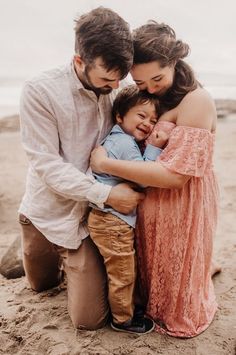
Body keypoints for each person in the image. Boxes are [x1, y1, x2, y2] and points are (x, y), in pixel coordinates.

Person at [18, 7, 145, 331]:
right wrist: (108, 194)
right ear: (79, 61)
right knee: (41, 285)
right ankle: (25, 246)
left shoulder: (116, 85)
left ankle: (77, 263)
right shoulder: (39, 91)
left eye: (120, 76)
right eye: (107, 78)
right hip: (47, 211)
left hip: (90, 218)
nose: (116, 84)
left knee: (89, 321)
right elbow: (46, 164)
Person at [90, 21, 219, 337]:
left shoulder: (196, 100)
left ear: (174, 62)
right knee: (150, 274)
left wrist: (107, 164)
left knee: (178, 295)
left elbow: (174, 177)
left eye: (157, 78)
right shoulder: (153, 97)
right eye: (139, 81)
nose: (149, 88)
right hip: (146, 203)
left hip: (182, 201)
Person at [88, 85, 168, 334]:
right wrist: (155, 149)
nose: (148, 124)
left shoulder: (113, 138)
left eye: (153, 120)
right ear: (120, 116)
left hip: (107, 219)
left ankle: (130, 307)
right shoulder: (125, 144)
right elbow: (143, 178)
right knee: (122, 272)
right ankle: (123, 320)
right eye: (141, 116)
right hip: (112, 221)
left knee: (123, 268)